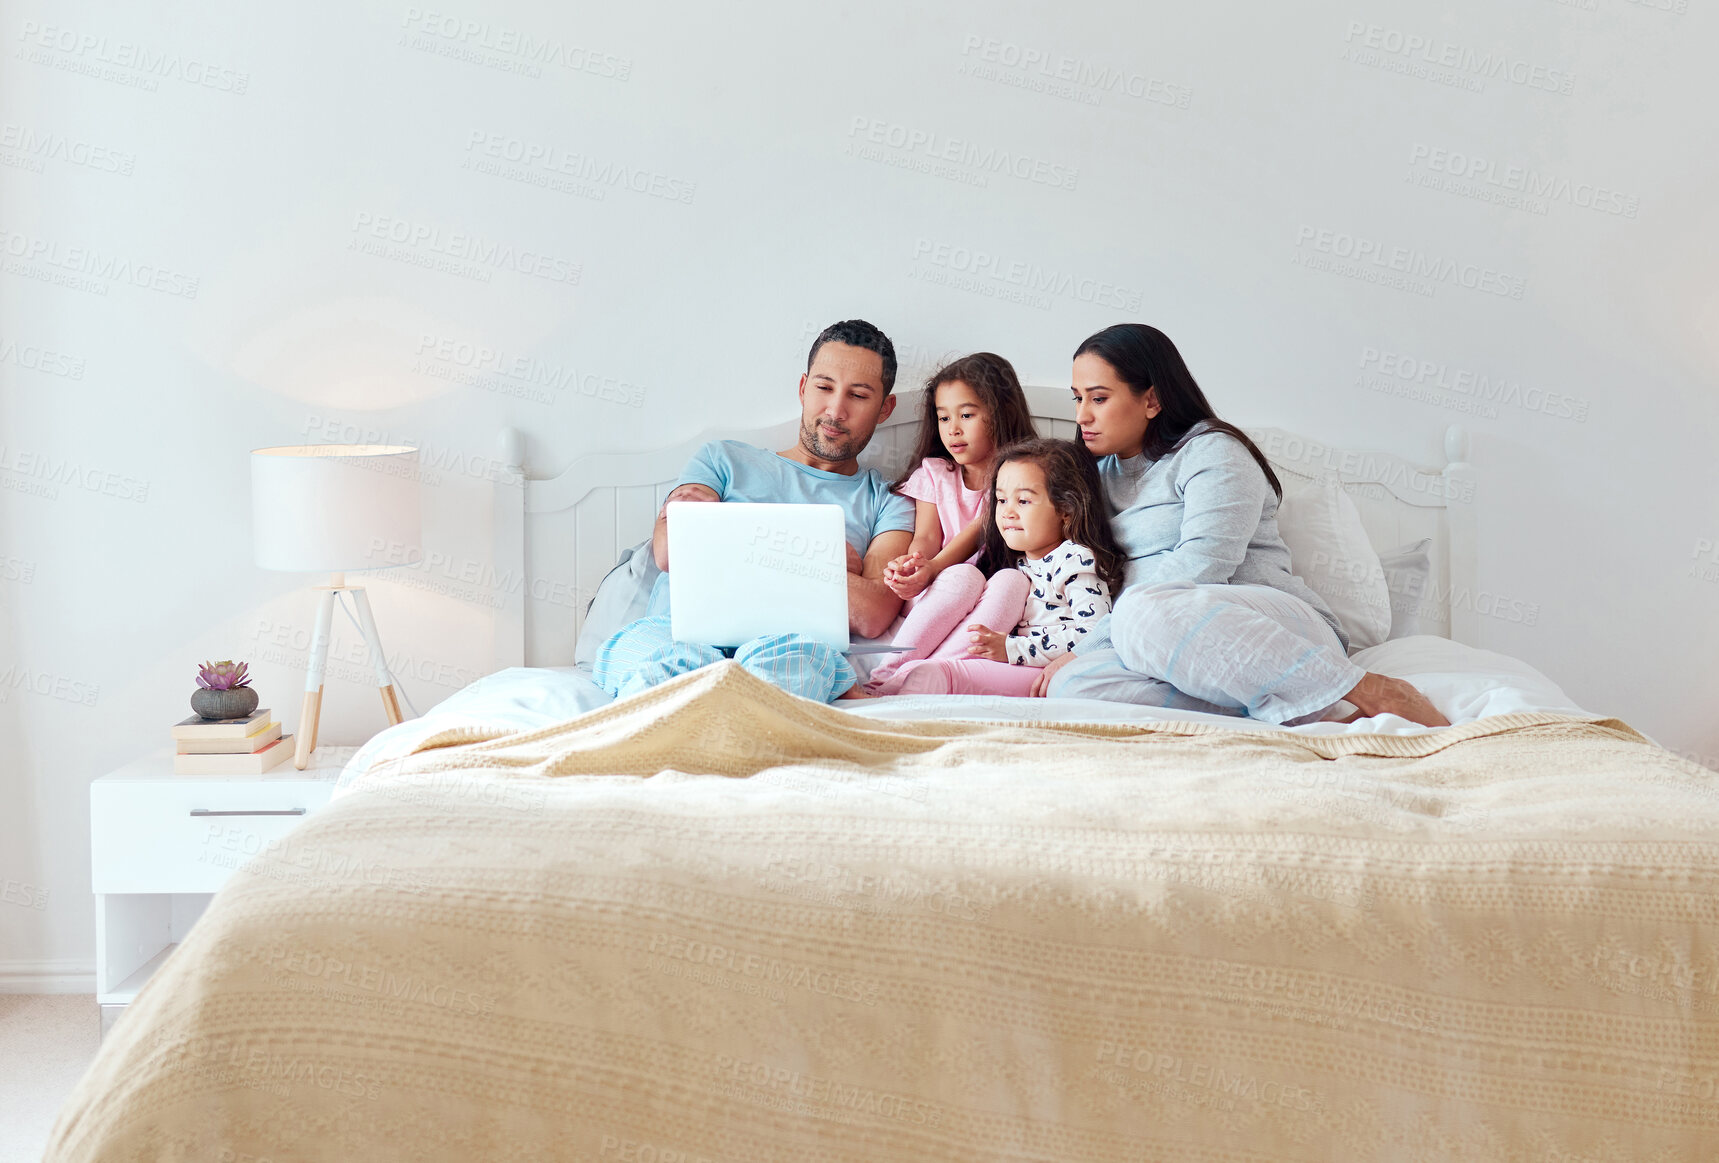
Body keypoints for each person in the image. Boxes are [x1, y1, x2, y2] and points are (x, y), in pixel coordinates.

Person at [1036, 323, 1449, 727]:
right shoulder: (1092, 474)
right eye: (1077, 399)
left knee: (1140, 609)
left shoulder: (1212, 451)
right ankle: (1304, 715)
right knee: (1073, 685)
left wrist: (1093, 642)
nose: (1082, 416)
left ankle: (1364, 688)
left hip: (1278, 630)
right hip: (1166, 646)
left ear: (1152, 400)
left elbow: (1204, 564)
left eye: (1099, 398)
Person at [592, 320, 916, 702]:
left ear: (885, 409)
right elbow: (670, 553)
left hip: (789, 646)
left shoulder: (888, 500)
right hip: (674, 634)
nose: (835, 409)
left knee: (784, 678)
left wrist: (726, 545)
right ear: (802, 388)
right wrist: (818, 565)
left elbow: (873, 611)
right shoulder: (722, 460)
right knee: (660, 675)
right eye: (824, 387)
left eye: (858, 396)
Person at [880, 439, 1124, 696]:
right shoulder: (1018, 564)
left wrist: (1013, 648)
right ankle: (891, 676)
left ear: (1066, 509)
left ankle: (902, 687)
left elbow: (1094, 635)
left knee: (943, 675)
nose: (1007, 512)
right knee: (971, 580)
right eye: (1001, 500)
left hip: (1044, 669)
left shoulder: (1076, 559)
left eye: (1024, 501)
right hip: (1013, 657)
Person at [861, 353, 1039, 694]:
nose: (953, 429)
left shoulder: (1021, 475)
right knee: (963, 575)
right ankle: (886, 675)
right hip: (940, 589)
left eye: (967, 415)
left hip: (986, 591)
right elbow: (927, 536)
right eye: (943, 418)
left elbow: (984, 528)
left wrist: (933, 566)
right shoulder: (936, 473)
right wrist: (916, 565)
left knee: (1013, 582)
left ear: (1001, 412)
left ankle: (931, 675)